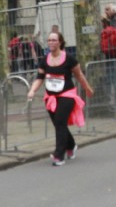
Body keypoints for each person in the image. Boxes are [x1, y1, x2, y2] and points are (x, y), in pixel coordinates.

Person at [27, 31, 94, 165]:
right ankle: (71, 145)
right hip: (51, 97)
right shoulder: (45, 60)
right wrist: (32, 90)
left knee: (60, 121)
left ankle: (59, 155)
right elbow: (40, 78)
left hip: (67, 94)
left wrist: (87, 88)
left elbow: (79, 75)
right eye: (49, 40)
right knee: (59, 124)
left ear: (60, 42)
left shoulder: (69, 58)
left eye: (54, 40)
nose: (51, 42)